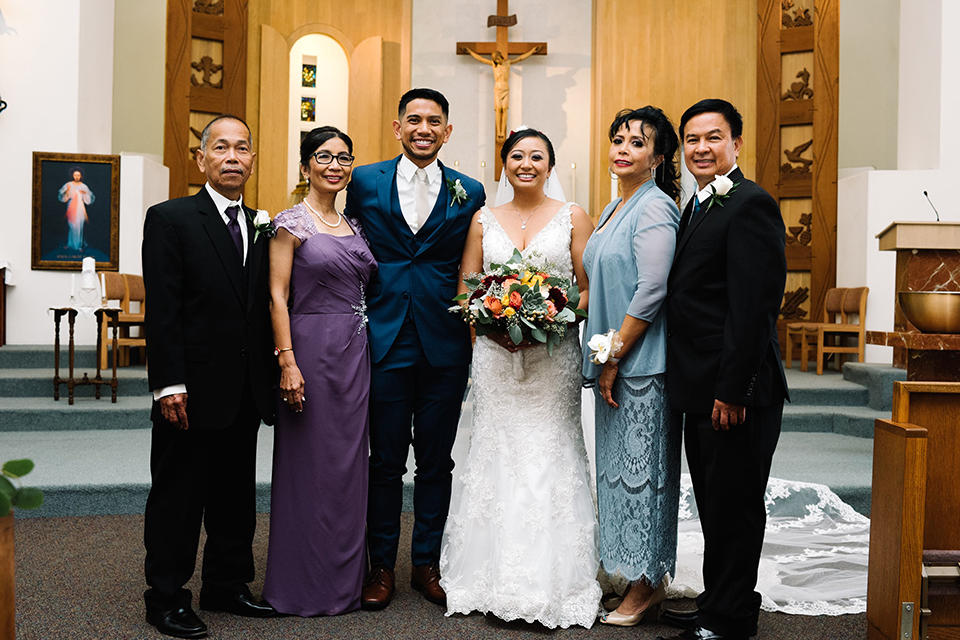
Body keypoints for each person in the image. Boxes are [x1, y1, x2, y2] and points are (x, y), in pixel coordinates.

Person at [439, 127, 601, 629]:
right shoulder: (482, 219)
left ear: (551, 165)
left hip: (552, 358)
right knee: (497, 449)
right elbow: (468, 288)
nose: (525, 163)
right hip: (495, 357)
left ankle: (556, 577)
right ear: (504, 164)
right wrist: (489, 323)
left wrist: (552, 321)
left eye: (536, 156)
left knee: (551, 450)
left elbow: (589, 289)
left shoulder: (574, 216)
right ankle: (490, 575)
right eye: (516, 156)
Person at [344, 88, 485, 610]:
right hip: (381, 338)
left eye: (434, 121)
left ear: (447, 131)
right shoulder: (362, 181)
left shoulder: (469, 191)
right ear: (398, 126)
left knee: (435, 462)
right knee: (383, 462)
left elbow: (473, 266)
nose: (423, 128)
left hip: (443, 343)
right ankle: (380, 565)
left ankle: (426, 562)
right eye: (413, 120)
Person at [657, 99, 789, 640]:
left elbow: (753, 308)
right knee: (715, 503)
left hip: (737, 392)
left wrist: (733, 390)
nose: (701, 148)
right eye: (692, 139)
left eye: (713, 137)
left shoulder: (751, 204)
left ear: (736, 143)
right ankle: (721, 601)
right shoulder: (699, 205)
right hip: (703, 386)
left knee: (734, 510)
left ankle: (728, 621)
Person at [141, 114, 277, 639]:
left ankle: (226, 583)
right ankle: (166, 595)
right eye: (221, 147)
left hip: (245, 386)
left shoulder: (263, 225)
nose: (233, 157)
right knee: (179, 496)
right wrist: (168, 383)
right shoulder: (171, 218)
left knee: (235, 494)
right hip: (190, 389)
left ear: (252, 159)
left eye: (243, 148)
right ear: (201, 159)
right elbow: (164, 311)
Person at [261, 126, 376, 616]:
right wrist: (287, 360)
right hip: (308, 349)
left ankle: (344, 581)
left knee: (349, 465)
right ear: (306, 165)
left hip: (355, 354)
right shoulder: (290, 223)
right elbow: (276, 295)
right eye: (324, 156)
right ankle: (301, 582)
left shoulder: (354, 225)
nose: (335, 165)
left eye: (344, 158)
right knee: (308, 465)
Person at [580, 107, 682, 627]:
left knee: (646, 477)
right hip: (613, 359)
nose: (623, 149)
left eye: (637, 143)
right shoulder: (610, 208)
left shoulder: (655, 207)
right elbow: (597, 284)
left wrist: (614, 355)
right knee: (620, 476)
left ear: (658, 157)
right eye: (618, 139)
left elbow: (653, 288)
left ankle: (648, 584)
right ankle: (633, 571)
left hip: (644, 364)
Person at [461, 46, 541, 143]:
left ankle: (503, 132)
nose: (497, 60)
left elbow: (520, 58)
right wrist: (469, 51)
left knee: (504, 109)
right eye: (495, 59)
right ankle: (498, 132)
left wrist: (532, 51)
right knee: (498, 109)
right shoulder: (494, 65)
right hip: (497, 89)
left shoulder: (507, 63)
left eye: (498, 58)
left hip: (505, 88)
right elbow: (480, 58)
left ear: (501, 57)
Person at [59, 166, 94, 251]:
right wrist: (67, 192)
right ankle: (70, 244)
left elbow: (89, 198)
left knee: (79, 225)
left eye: (78, 175)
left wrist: (84, 194)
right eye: (75, 175)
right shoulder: (68, 184)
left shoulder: (84, 186)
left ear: (81, 176)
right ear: (72, 175)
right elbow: (62, 195)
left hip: (80, 207)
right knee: (72, 225)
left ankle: (78, 245)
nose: (77, 177)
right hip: (71, 206)